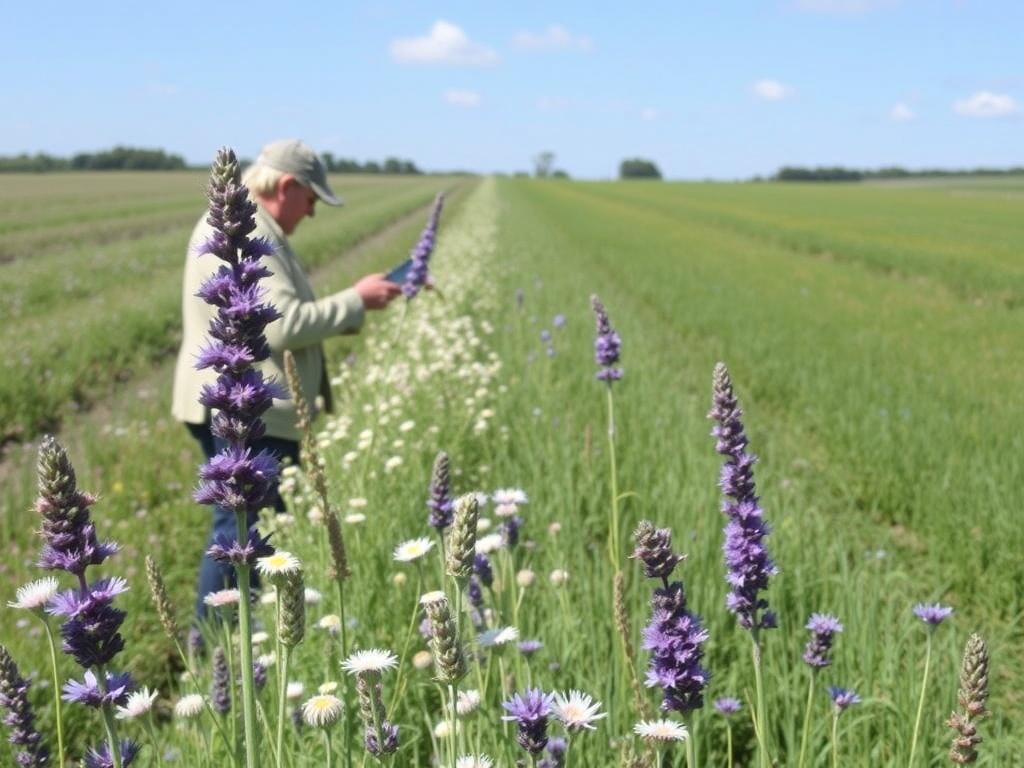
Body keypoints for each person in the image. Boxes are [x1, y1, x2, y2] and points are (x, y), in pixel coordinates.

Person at [172, 139, 402, 619]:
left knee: (248, 530)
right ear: (289, 185)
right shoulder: (249, 228)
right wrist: (356, 300)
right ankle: (216, 642)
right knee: (238, 532)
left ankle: (234, 637)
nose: (313, 213)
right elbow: (280, 325)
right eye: (313, 199)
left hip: (248, 402)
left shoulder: (259, 228)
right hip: (239, 403)